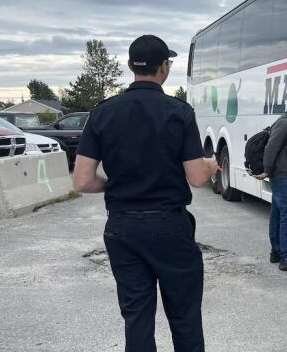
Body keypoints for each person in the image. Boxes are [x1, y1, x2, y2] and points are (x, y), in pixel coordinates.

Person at [72, 34, 219, 352]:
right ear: (164, 68)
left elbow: (82, 181)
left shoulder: (102, 113)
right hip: (170, 226)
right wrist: (209, 165)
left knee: (137, 319)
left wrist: (117, 185)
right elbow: (195, 177)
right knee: (184, 318)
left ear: (129, 66)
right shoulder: (179, 113)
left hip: (123, 228)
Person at [254, 100, 287, 272]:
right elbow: (271, 147)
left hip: (283, 175)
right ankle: (286, 257)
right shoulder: (284, 124)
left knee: (277, 214)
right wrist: (267, 170)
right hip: (281, 175)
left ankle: (276, 252)